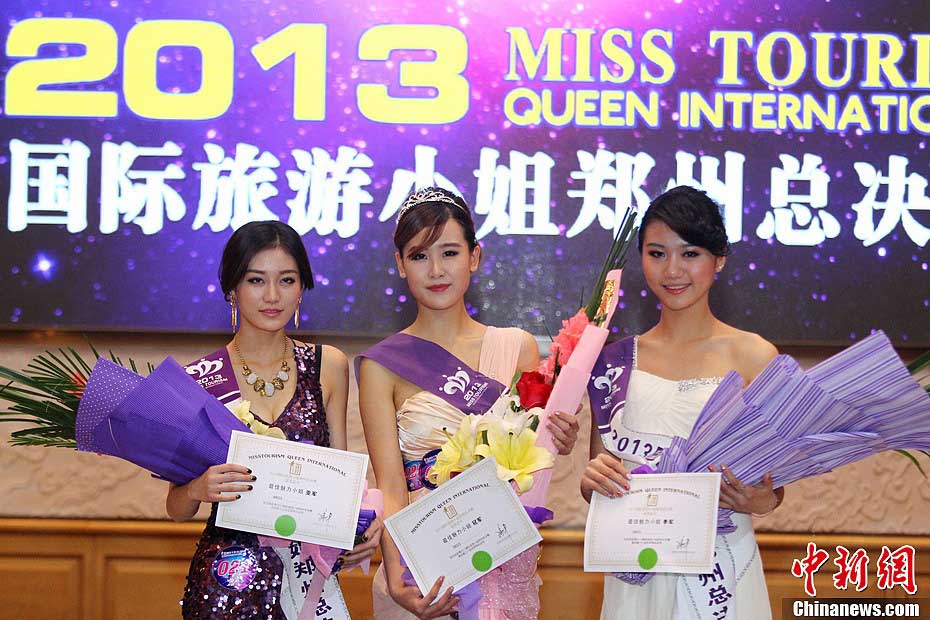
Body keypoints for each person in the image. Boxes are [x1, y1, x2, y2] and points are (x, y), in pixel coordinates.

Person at [357, 187, 580, 620]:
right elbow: (392, 488)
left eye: (450, 252)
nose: (436, 270)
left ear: (474, 257)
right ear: (400, 265)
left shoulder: (515, 348)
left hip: (498, 557)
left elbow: (530, 460)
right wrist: (401, 578)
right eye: (419, 256)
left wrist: (559, 440)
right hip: (426, 570)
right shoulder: (381, 366)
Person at [582, 186, 783, 620]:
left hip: (719, 570)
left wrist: (756, 499)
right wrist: (591, 480)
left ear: (719, 259)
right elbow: (599, 476)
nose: (672, 270)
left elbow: (773, 489)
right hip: (637, 567)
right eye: (657, 253)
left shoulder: (754, 357)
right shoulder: (614, 360)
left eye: (689, 253)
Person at [167, 221, 382, 619]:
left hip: (307, 580)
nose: (272, 296)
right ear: (232, 287)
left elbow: (343, 481)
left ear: (302, 288)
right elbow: (177, 507)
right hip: (228, 579)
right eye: (255, 280)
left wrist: (364, 530)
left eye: (286, 280)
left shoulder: (327, 365)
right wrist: (199, 486)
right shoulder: (201, 378)